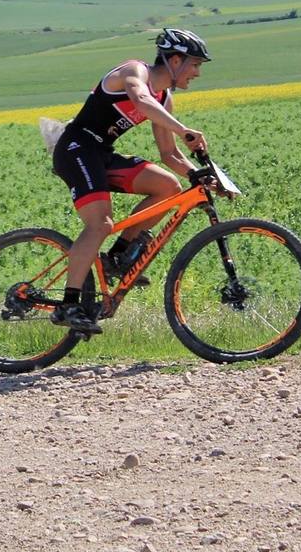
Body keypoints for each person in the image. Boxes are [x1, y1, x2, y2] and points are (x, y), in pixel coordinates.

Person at [49, 28, 211, 334]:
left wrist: (199, 175)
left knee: (168, 187)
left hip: (101, 153)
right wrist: (184, 129)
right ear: (175, 61)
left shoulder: (165, 98)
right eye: (195, 64)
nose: (197, 73)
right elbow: (141, 100)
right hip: (76, 149)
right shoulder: (134, 71)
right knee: (100, 224)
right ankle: (68, 304)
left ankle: (115, 257)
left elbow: (170, 154)